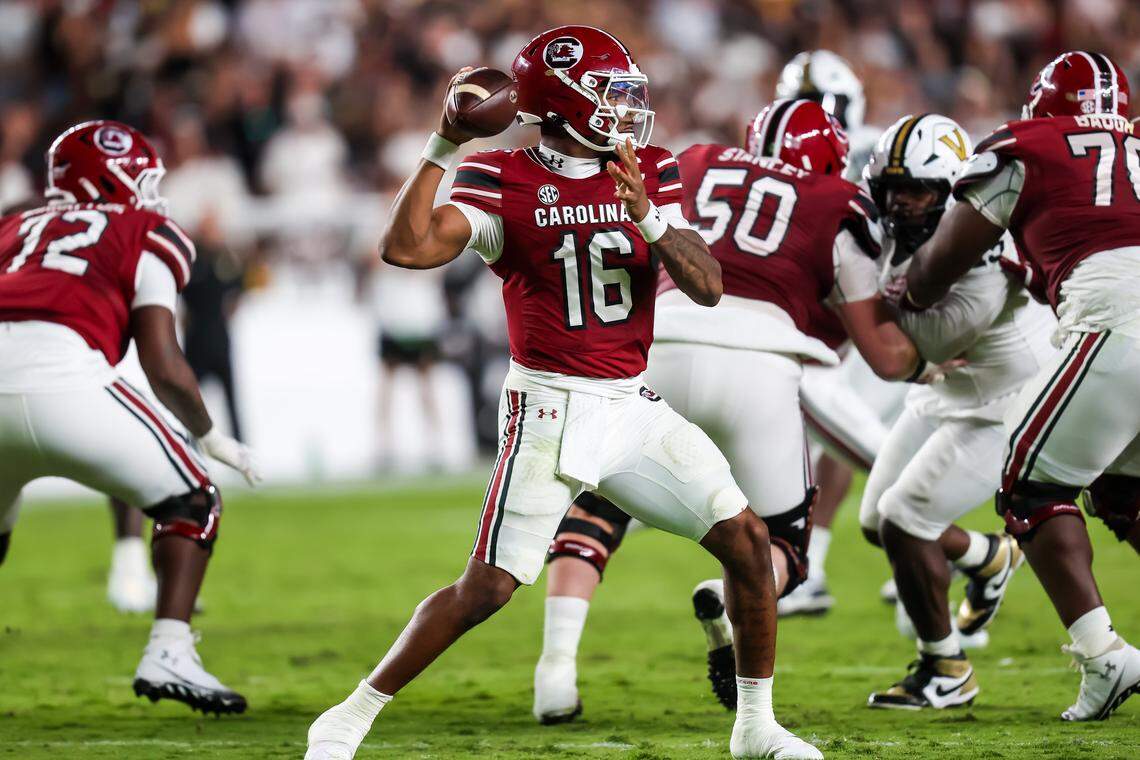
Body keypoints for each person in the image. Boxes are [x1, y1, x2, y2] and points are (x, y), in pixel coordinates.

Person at [306, 27, 821, 760]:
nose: (624, 108)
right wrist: (442, 146)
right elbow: (407, 247)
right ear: (567, 100)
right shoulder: (501, 176)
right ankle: (350, 715)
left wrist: (648, 214)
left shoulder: (647, 170)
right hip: (548, 406)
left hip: (630, 403)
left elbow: (706, 288)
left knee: (747, 540)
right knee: (485, 589)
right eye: (611, 92)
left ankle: (756, 727)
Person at [533, 99, 955, 722]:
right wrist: (934, 365)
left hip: (662, 351)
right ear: (832, 159)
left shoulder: (697, 161)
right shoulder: (836, 205)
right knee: (778, 541)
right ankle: (736, 636)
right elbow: (884, 354)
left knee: (598, 507)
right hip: (759, 370)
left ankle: (556, 673)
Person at [904, 51, 1140, 721]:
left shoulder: (1025, 144)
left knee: (1029, 488)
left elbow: (935, 273)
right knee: (1123, 491)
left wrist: (903, 281)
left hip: (1118, 315)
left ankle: (1104, 657)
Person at [0, 120, 260, 714]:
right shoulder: (146, 228)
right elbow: (163, 362)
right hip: (62, 372)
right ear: (117, 176)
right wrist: (211, 435)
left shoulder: (15, 224)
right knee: (193, 497)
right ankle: (169, 651)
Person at [859, 114, 1056, 709]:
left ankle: (944, 665)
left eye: (917, 189)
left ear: (951, 190)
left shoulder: (981, 242)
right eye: (892, 190)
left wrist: (849, 296)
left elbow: (919, 348)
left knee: (903, 519)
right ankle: (988, 556)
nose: (901, 204)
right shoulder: (894, 228)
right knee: (874, 522)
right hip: (947, 387)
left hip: (1005, 396)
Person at [774, 49, 909, 615]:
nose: (818, 118)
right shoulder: (781, 155)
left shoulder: (878, 147)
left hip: (878, 308)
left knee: (842, 435)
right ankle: (817, 564)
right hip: (835, 311)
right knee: (828, 438)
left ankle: (932, 544)